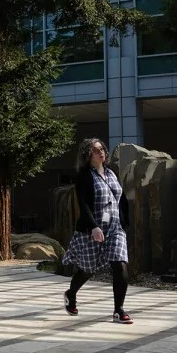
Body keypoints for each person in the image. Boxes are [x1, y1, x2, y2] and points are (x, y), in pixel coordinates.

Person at [61, 138, 133, 324]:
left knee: (120, 264)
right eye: (95, 150)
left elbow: (120, 199)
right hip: (93, 228)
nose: (100, 152)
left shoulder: (111, 174)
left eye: (101, 148)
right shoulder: (84, 176)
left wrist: (124, 222)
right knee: (87, 269)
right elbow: (83, 204)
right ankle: (71, 293)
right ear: (87, 155)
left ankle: (118, 310)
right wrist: (94, 227)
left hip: (115, 227)